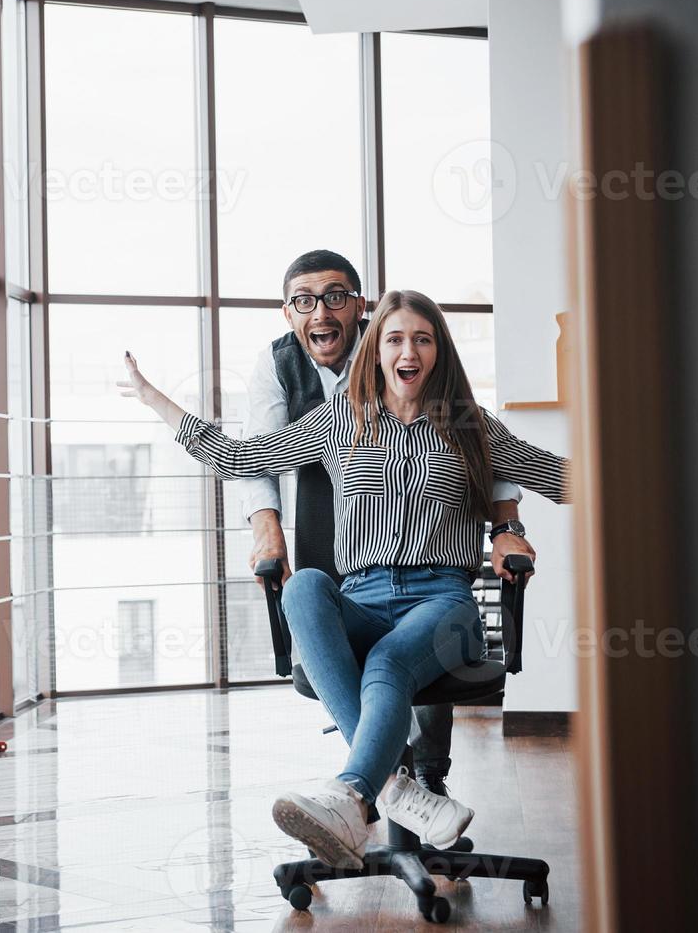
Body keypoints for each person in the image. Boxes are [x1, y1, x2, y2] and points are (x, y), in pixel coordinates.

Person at [119, 289, 569, 870]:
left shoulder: (471, 426)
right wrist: (156, 400)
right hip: (361, 599)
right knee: (305, 585)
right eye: (395, 339)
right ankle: (400, 791)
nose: (409, 350)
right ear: (376, 351)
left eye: (422, 339)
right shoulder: (339, 421)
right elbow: (238, 458)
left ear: (439, 352)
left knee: (387, 664)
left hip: (445, 603)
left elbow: (567, 479)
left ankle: (358, 792)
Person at [235, 250, 534, 798]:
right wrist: (265, 524)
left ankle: (425, 778)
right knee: (318, 606)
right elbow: (255, 454)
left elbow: (485, 452)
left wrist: (506, 524)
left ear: (358, 306)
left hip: (432, 543)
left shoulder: (401, 342)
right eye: (304, 301)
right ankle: (392, 782)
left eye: (334, 297)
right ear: (289, 312)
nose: (321, 313)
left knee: (405, 656)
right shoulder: (276, 365)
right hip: (334, 523)